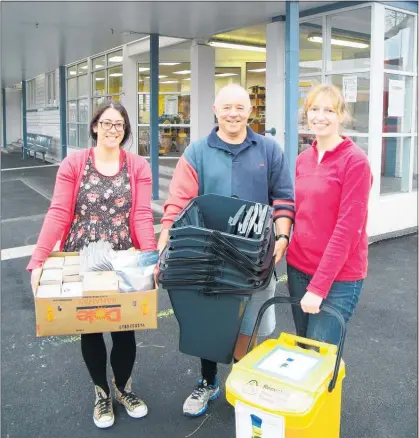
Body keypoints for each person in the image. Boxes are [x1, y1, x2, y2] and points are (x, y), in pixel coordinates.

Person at [156, 84, 295, 417]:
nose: (233, 113)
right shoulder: (197, 152)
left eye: (240, 107)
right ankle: (208, 382)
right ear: (215, 111)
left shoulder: (269, 150)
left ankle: (245, 381)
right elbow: (178, 200)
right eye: (226, 107)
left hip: (255, 258)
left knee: (253, 323)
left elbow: (284, 197)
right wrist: (164, 243)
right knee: (209, 322)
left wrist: (282, 237)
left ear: (250, 111)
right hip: (209, 258)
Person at [27, 101, 156, 429]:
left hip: (122, 258)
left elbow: (141, 214)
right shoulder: (74, 163)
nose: (114, 130)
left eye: (120, 125)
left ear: (125, 130)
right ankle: (101, 392)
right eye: (107, 123)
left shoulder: (137, 165)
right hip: (82, 257)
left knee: (125, 328)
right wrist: (38, 261)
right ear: (95, 126)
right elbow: (58, 212)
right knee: (91, 327)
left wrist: (150, 258)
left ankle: (124, 388)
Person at [286, 84, 373, 347]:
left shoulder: (355, 162)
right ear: (306, 113)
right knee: (304, 348)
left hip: (339, 277)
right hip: (299, 268)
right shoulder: (303, 159)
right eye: (314, 109)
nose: (320, 116)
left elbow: (347, 230)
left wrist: (318, 287)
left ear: (341, 116)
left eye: (329, 110)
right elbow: (301, 210)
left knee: (318, 353)